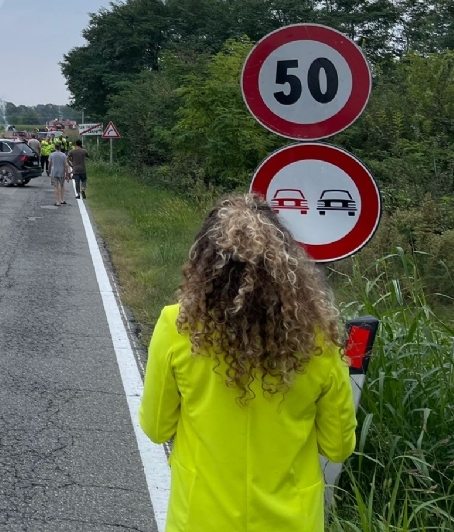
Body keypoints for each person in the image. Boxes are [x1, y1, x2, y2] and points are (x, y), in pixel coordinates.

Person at [139, 194, 356, 531]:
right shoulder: (319, 339)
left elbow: (156, 428)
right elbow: (338, 446)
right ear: (288, 266)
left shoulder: (177, 326)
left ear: (205, 264)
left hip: (200, 517)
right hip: (291, 521)